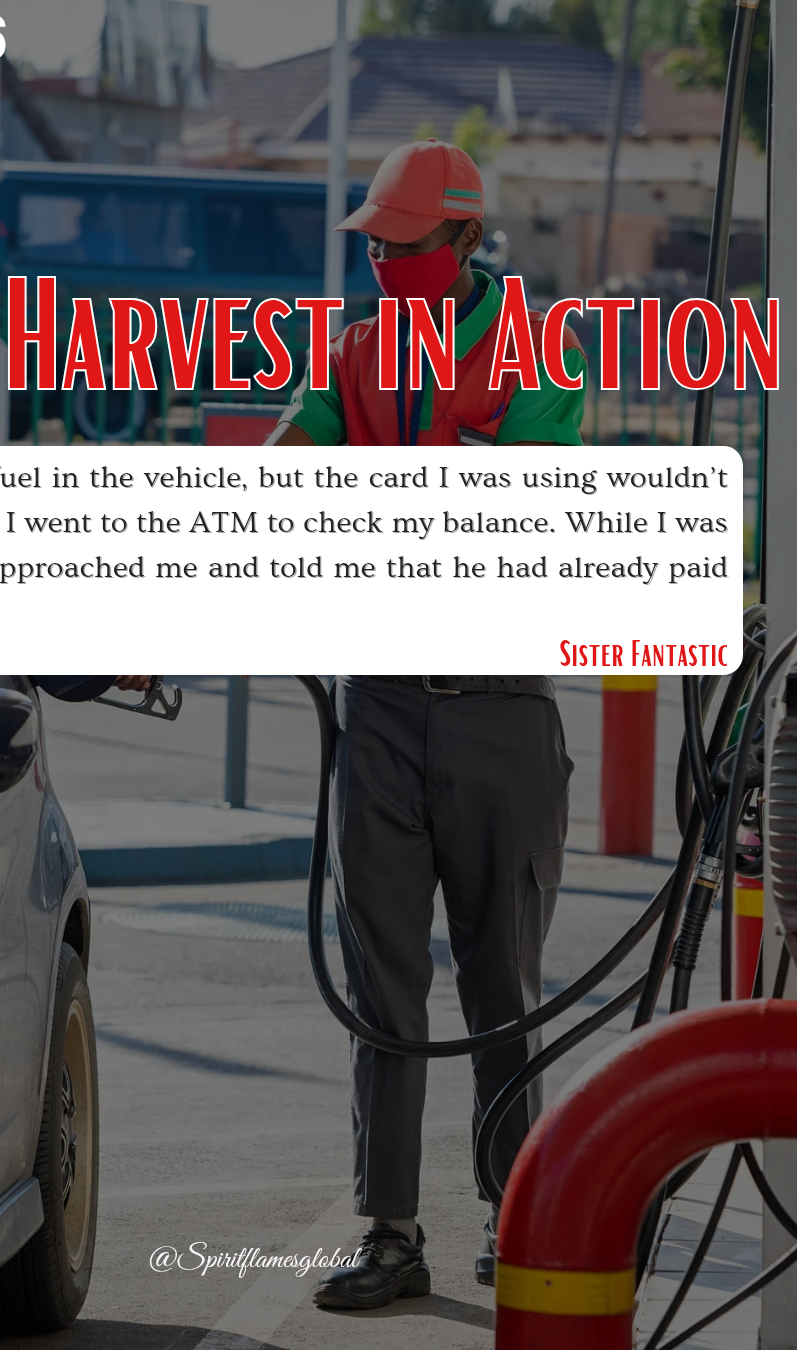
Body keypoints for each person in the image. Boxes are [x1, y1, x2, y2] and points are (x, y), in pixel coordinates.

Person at [266, 140, 584, 1309]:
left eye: (403, 245)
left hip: (501, 708)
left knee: (502, 987)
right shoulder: (355, 353)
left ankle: (516, 1214)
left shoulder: (540, 350)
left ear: (462, 240)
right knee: (383, 985)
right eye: (376, 245)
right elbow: (294, 458)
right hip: (385, 709)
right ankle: (390, 1233)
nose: (384, 262)